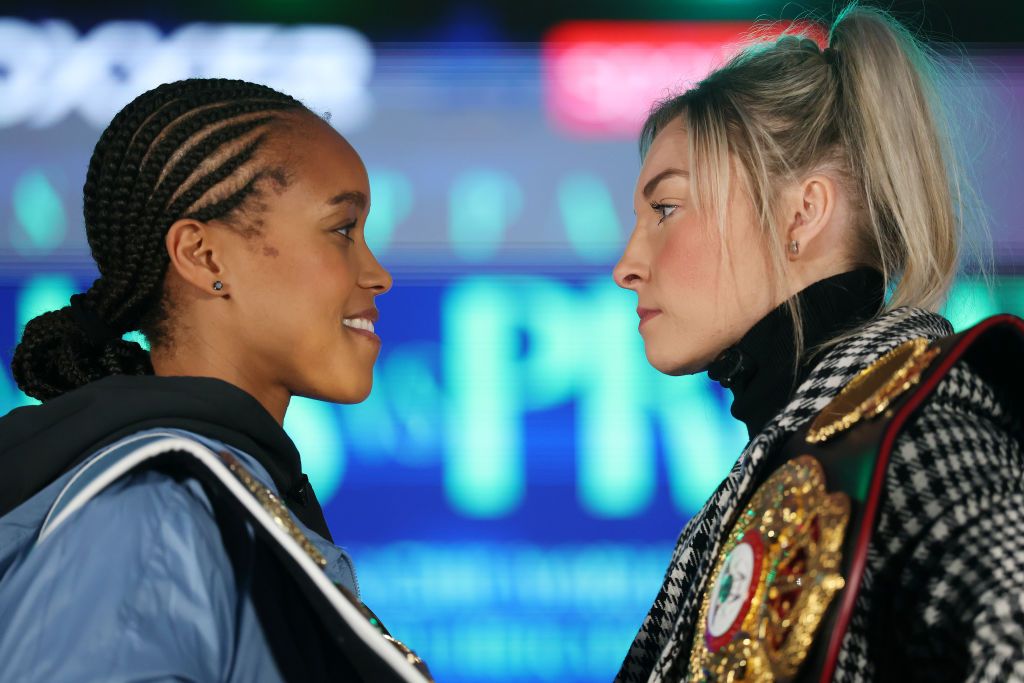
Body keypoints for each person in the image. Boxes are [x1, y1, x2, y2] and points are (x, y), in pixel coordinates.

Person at [612, 4, 1023, 682]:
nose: (626, 262)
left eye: (666, 209)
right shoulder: (790, 464)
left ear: (802, 212)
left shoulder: (914, 440)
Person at [0, 78, 430, 682]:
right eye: (342, 229)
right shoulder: (151, 516)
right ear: (204, 257)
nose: (377, 273)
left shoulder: (198, 501)